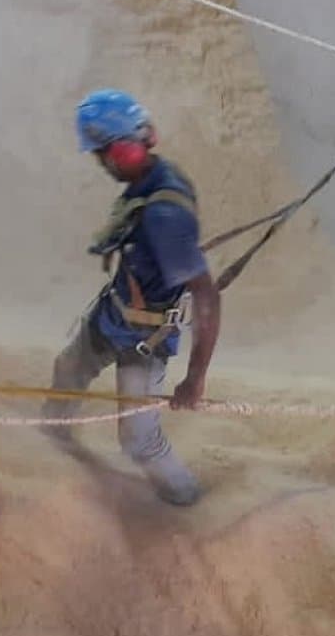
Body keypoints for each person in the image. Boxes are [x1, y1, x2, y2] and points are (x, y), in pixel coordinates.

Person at [42, 89, 221, 506]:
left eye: (102, 153)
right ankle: (51, 440)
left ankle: (184, 496)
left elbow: (207, 297)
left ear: (121, 149)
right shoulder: (151, 180)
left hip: (146, 341)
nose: (101, 163)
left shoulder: (164, 214)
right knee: (68, 367)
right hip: (114, 314)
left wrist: (194, 378)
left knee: (139, 441)